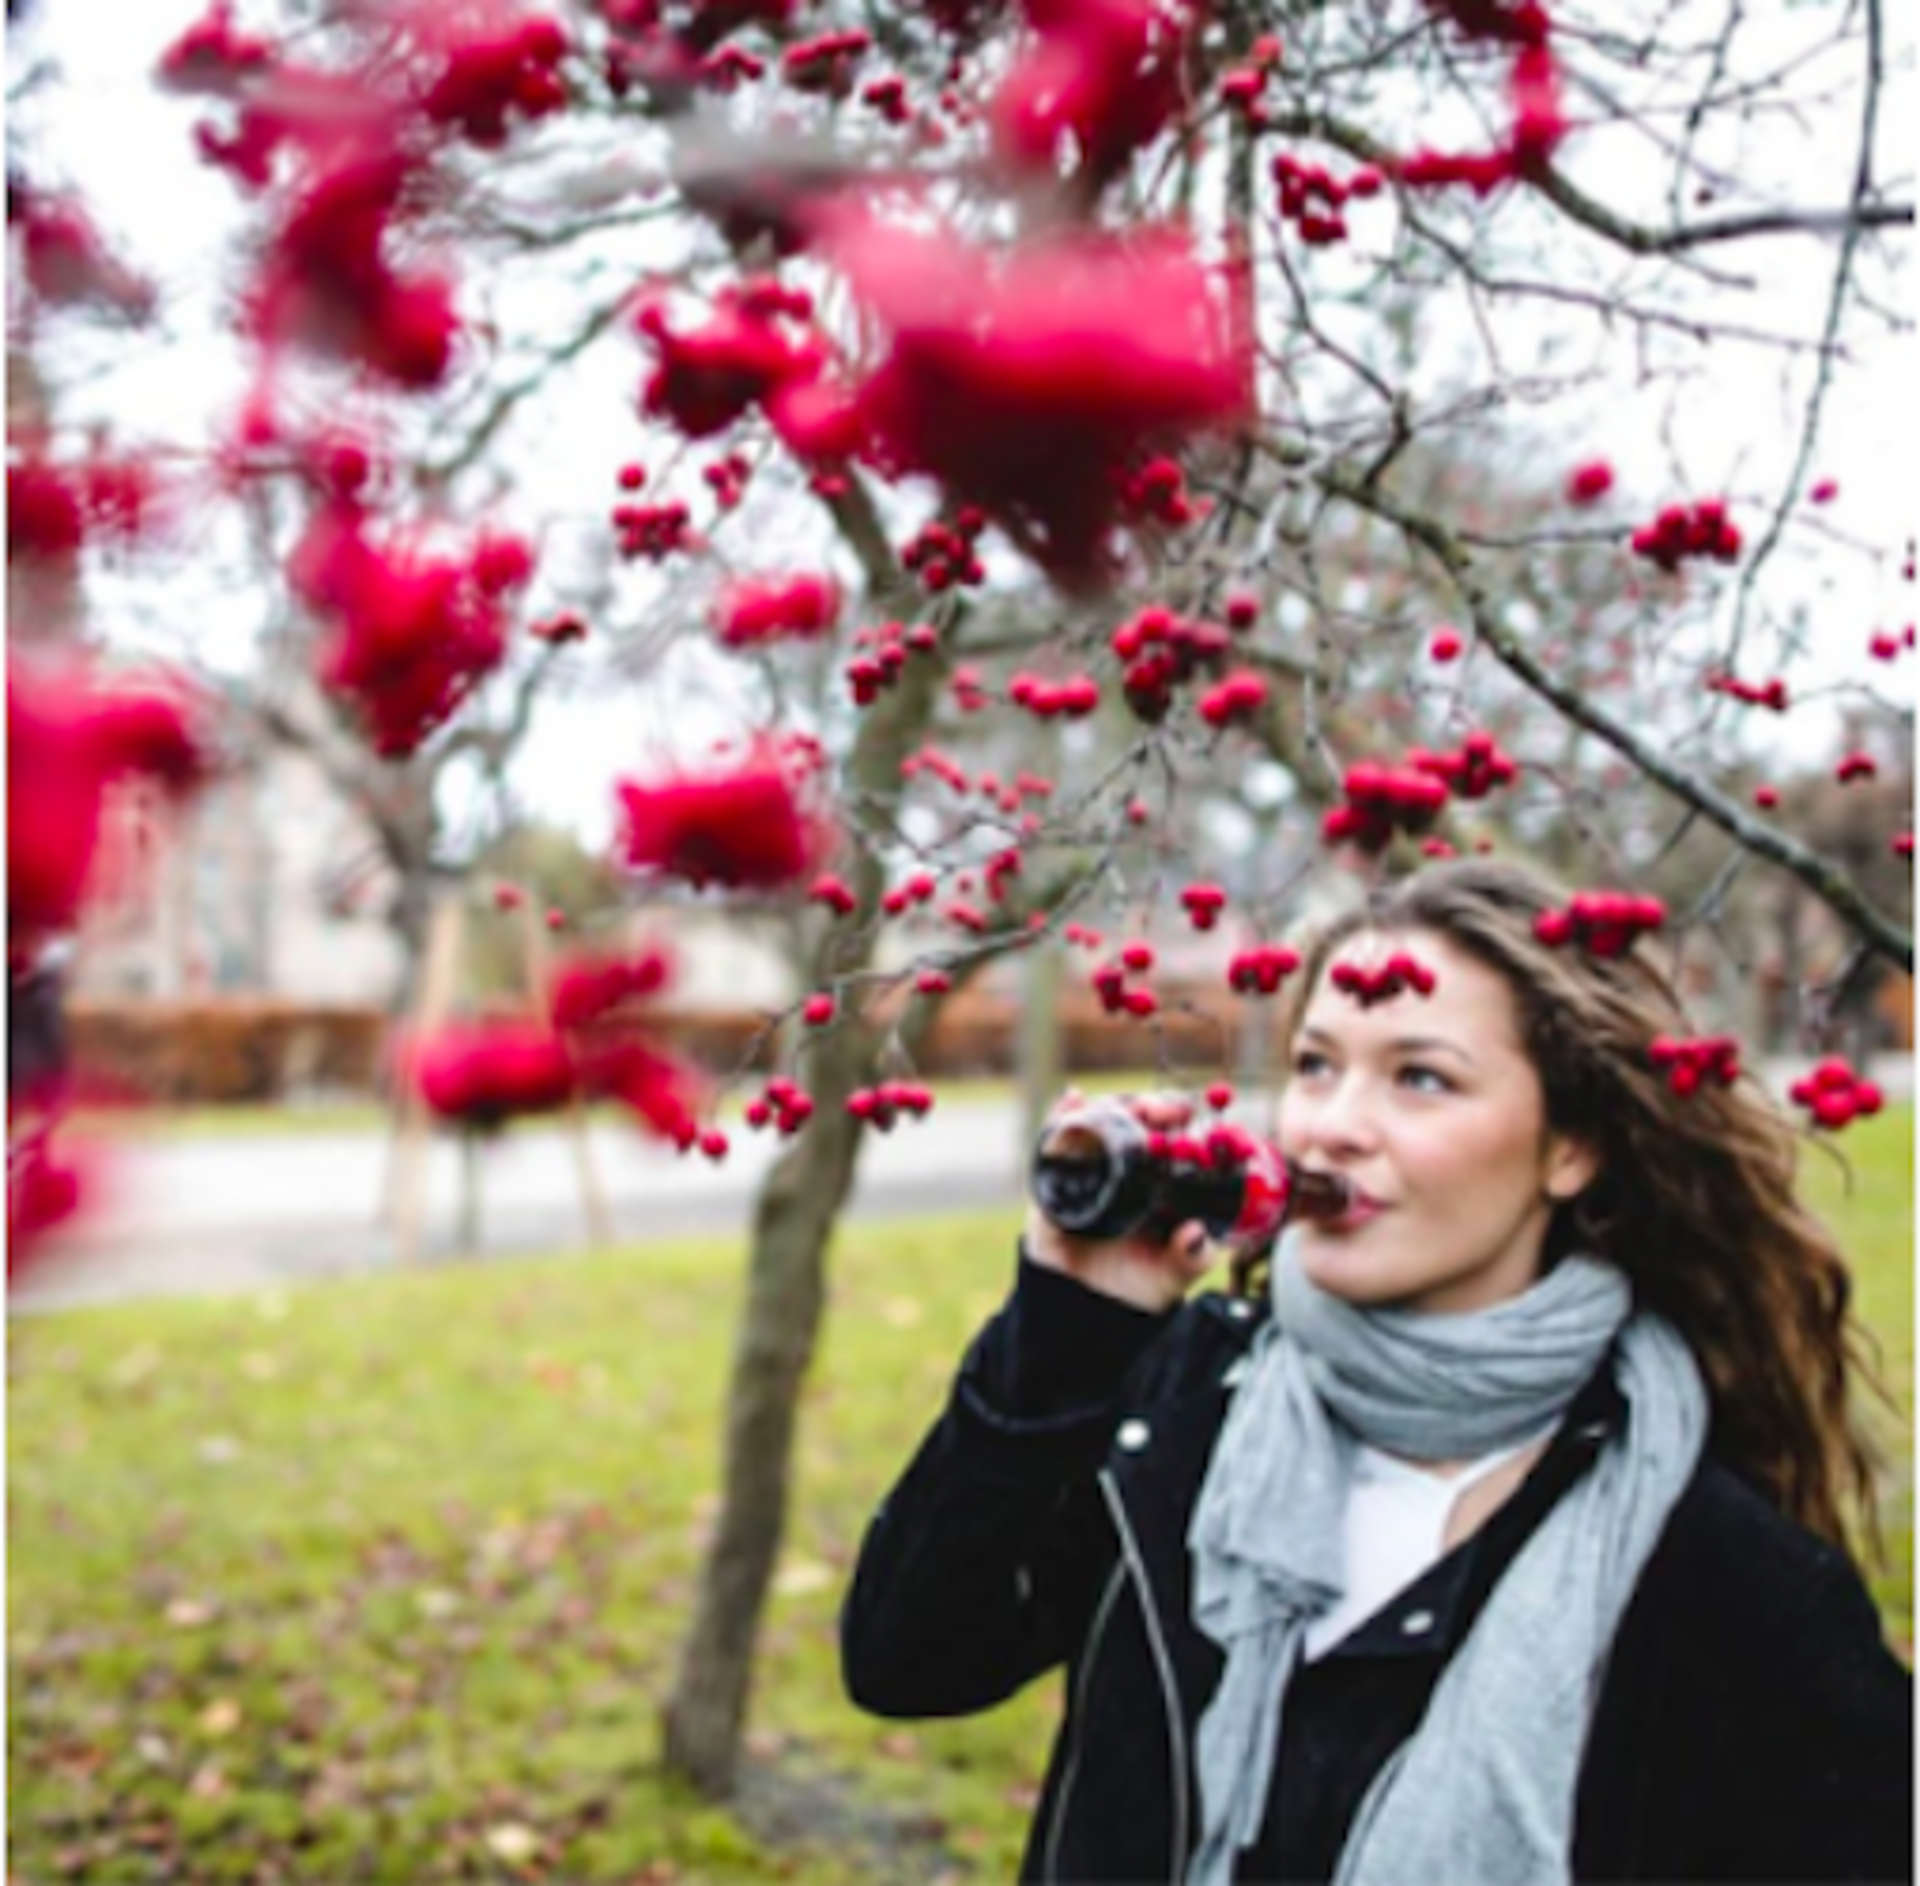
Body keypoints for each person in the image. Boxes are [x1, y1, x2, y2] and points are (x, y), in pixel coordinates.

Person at [840, 858, 1912, 1884]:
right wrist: (1064, 1328)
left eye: (1420, 1076)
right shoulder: (1178, 1411)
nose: (1333, 1126)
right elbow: (912, 1655)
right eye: (1315, 1063)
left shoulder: (1726, 1577)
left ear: (1570, 1145)